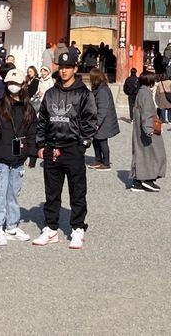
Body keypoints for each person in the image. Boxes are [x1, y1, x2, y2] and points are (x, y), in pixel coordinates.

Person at [33, 50, 98, 249]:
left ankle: (78, 228)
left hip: (73, 148)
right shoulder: (51, 93)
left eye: (68, 67)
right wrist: (41, 144)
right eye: (61, 67)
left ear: (75, 69)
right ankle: (51, 228)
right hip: (52, 147)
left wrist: (82, 144)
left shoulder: (83, 93)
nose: (64, 71)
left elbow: (90, 120)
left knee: (77, 190)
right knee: (52, 191)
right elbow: (42, 120)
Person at [0, 68, 36, 245]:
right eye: (10, 83)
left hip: (18, 157)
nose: (13, 86)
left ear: (23, 84)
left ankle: (12, 226)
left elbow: (32, 132)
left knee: (14, 193)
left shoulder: (28, 108)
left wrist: (32, 155)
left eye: (16, 83)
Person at [128, 69, 168, 193]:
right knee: (152, 153)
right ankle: (147, 179)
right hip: (147, 129)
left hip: (141, 128)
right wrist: (149, 129)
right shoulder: (145, 93)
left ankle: (138, 182)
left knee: (142, 153)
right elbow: (146, 112)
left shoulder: (141, 91)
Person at [87, 68, 119, 171]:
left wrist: (98, 122)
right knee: (95, 140)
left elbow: (103, 108)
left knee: (102, 141)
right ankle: (98, 160)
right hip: (98, 119)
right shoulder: (98, 88)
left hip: (104, 121)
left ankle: (106, 163)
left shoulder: (102, 90)